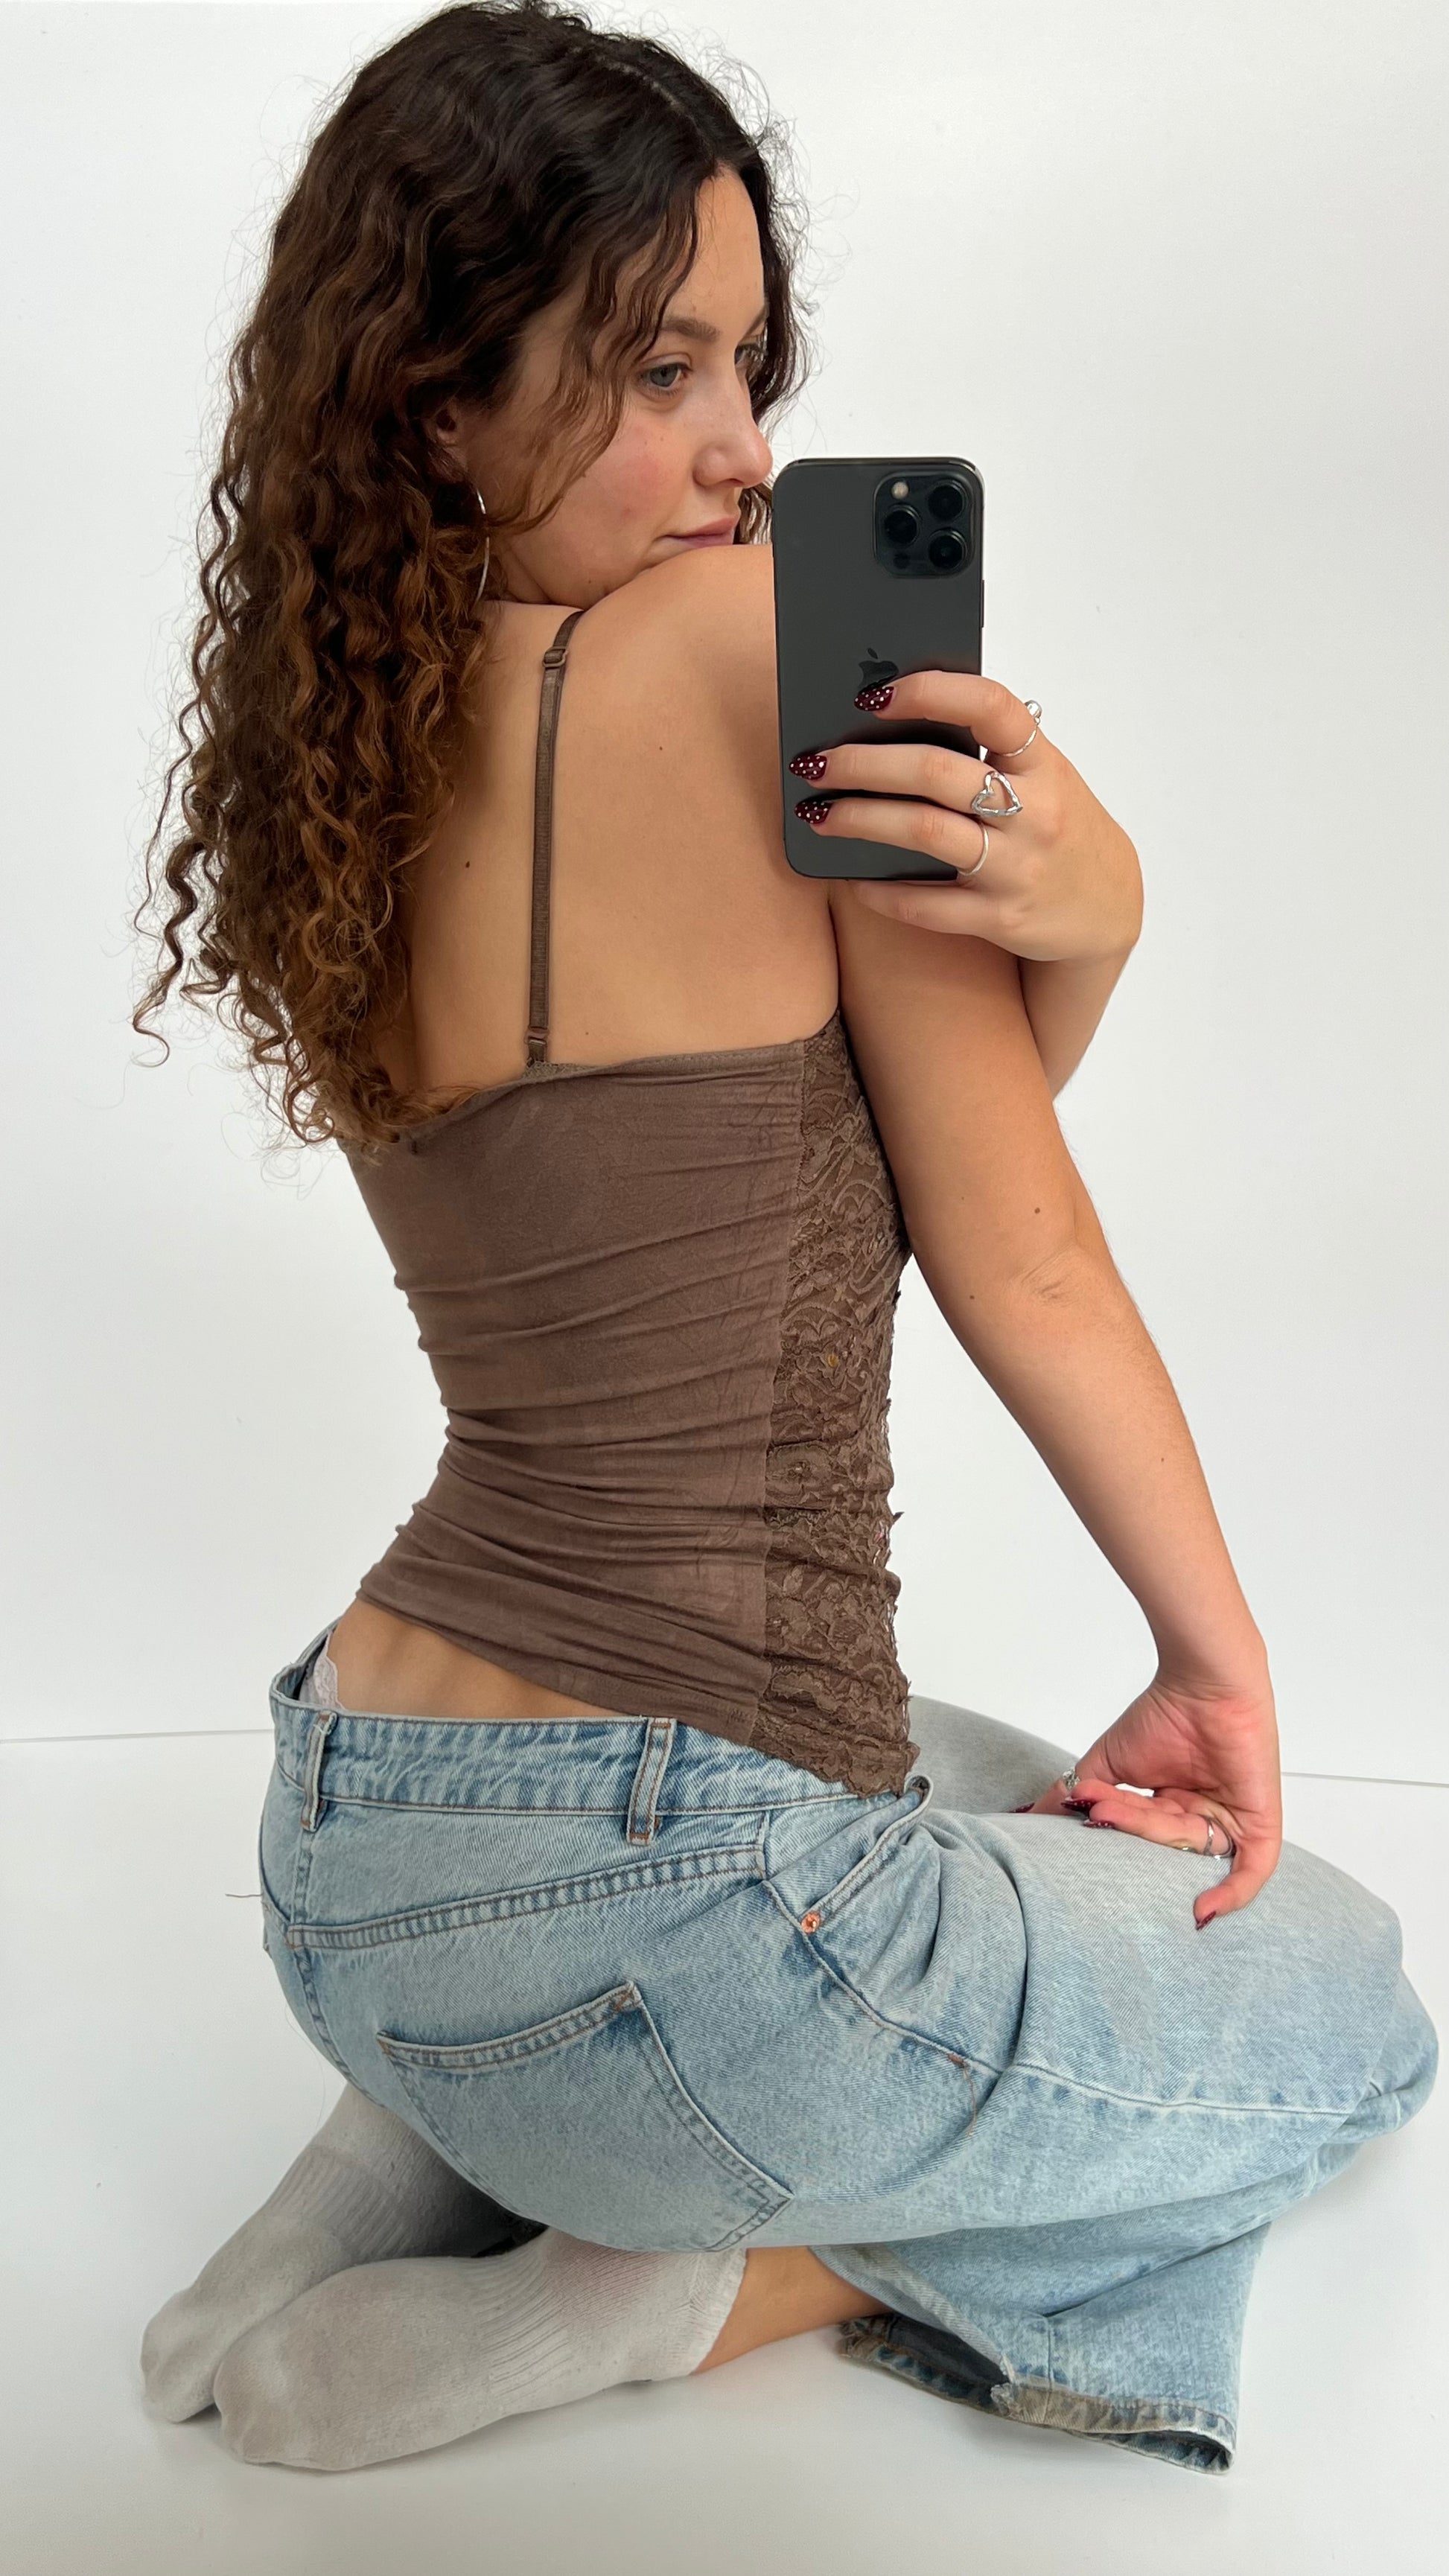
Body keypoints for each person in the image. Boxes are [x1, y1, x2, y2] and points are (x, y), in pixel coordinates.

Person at [133, 0, 1433, 2478]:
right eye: (656, 369)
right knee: (1350, 2003)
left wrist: (1081, 937)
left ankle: (392, 2151)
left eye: (748, 361)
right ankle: (686, 2283)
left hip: (347, 1833)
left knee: (1004, 1783)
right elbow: (1006, 1248)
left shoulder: (334, 758)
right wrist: (1216, 1656)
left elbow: (798, 1216)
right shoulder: (772, 649)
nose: (740, 444)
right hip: (678, 1930)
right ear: (439, 396)